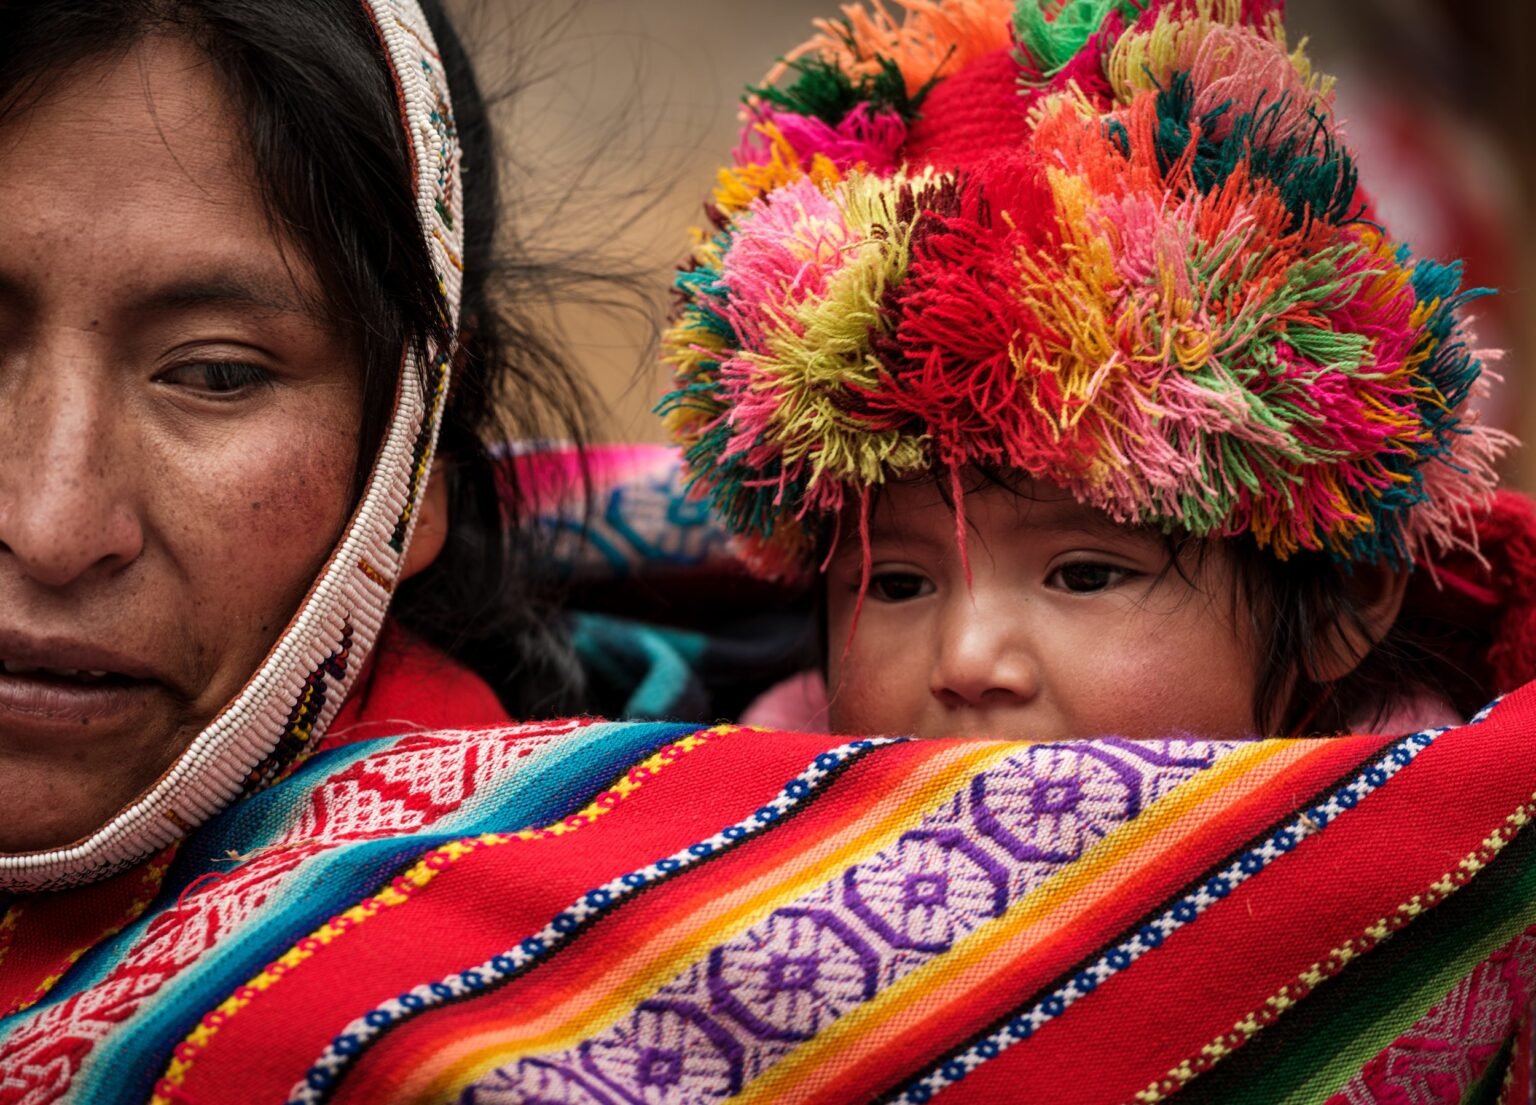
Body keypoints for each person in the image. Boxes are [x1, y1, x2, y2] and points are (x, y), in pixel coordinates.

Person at [1, 2, 1534, 1103]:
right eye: (896, 577)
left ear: (414, 471)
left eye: (214, 369)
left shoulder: (1468, 870)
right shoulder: (726, 771)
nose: (53, 520)